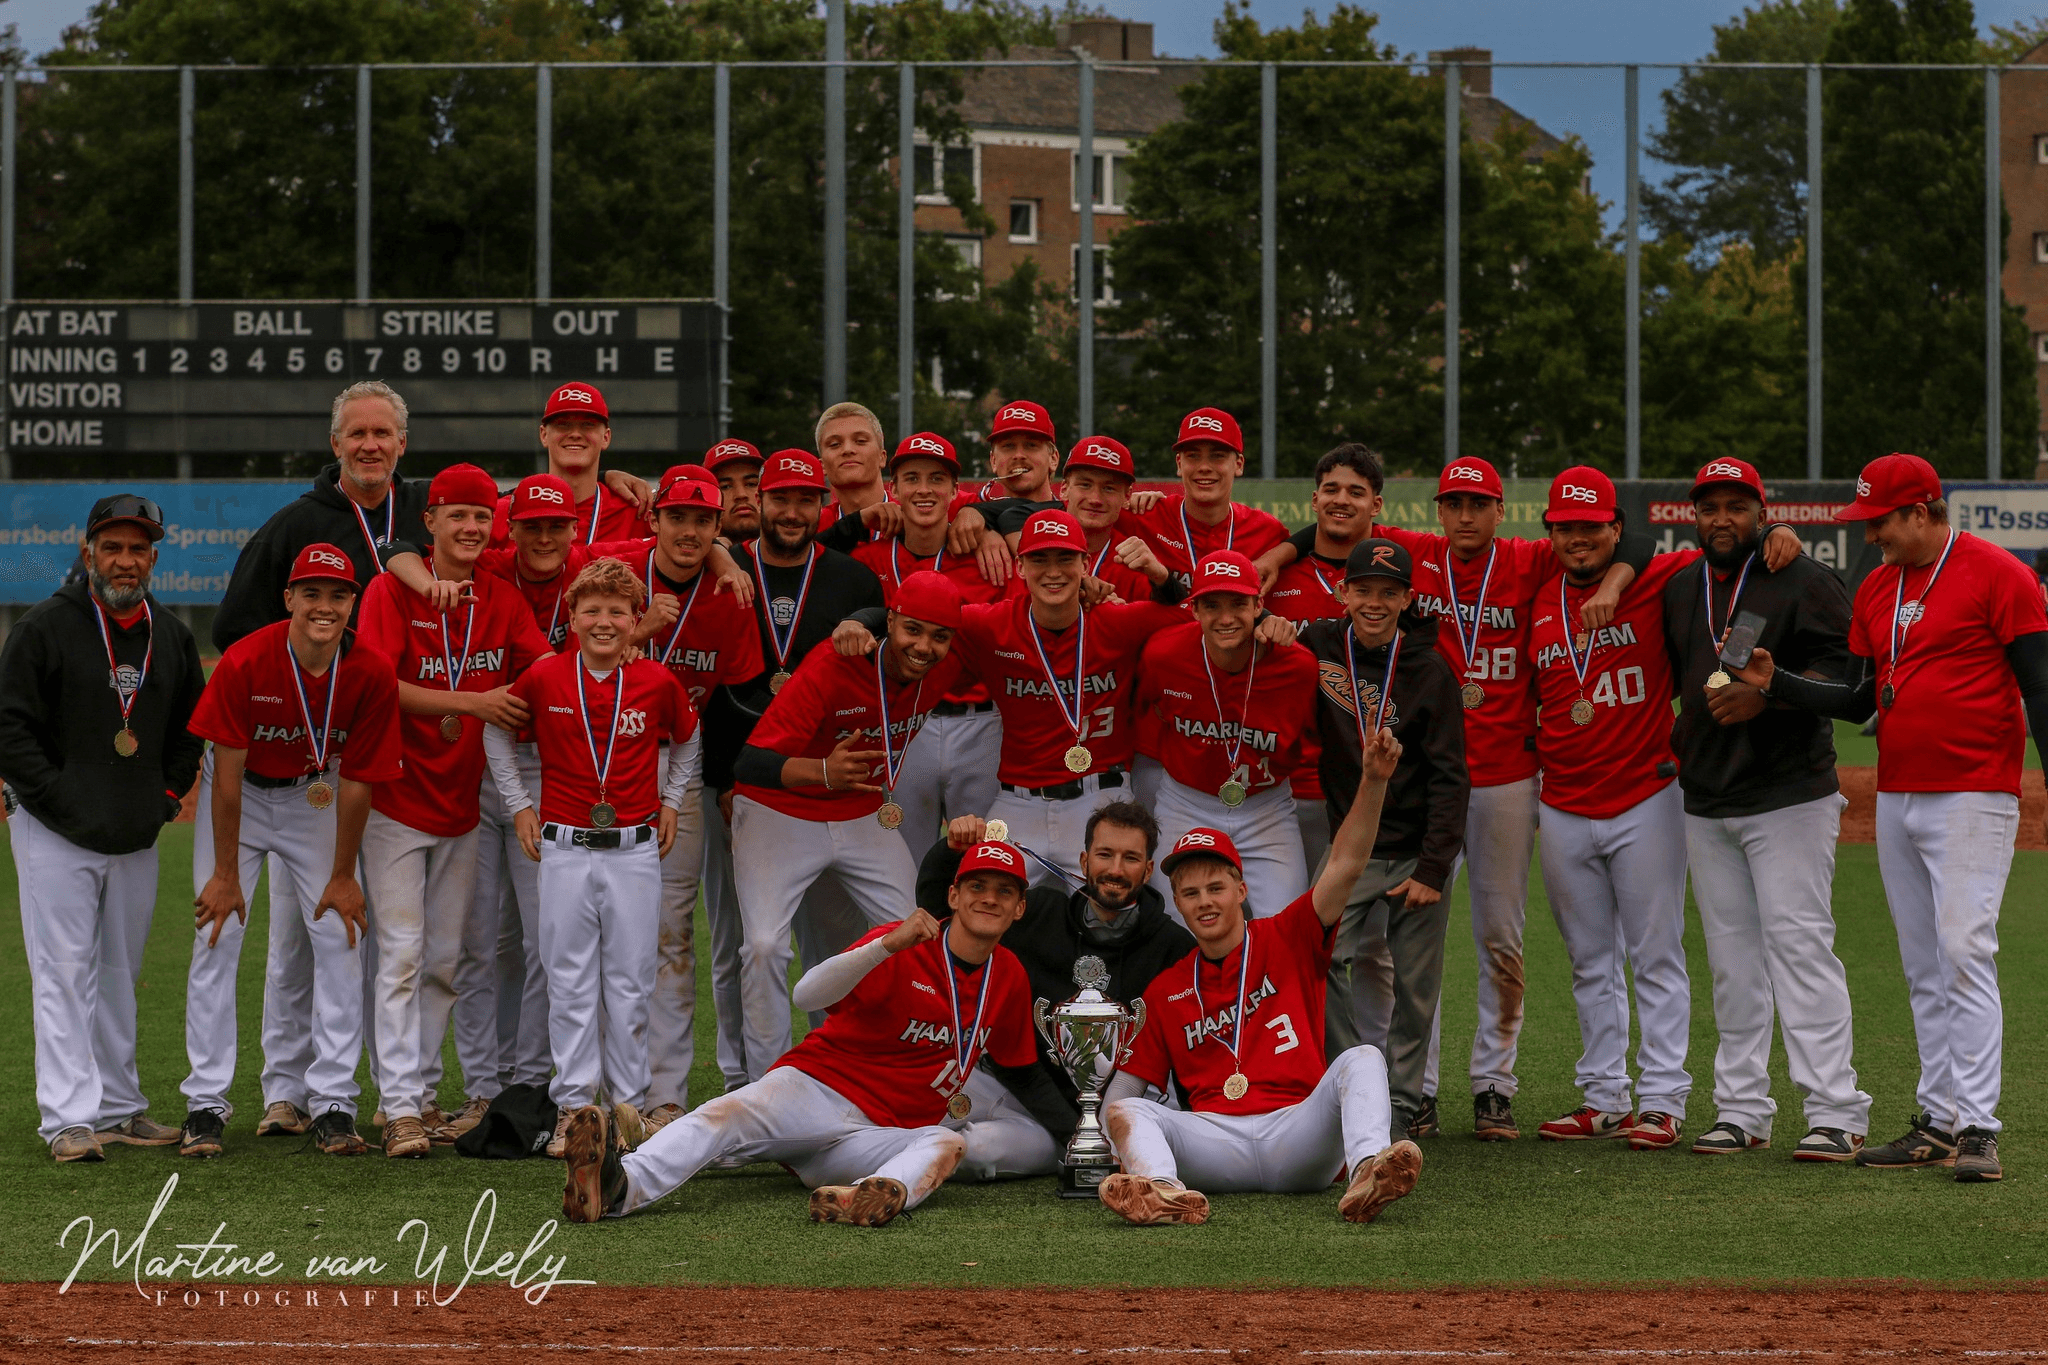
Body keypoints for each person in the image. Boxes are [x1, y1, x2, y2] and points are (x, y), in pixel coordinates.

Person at [1734, 451, 2048, 1183]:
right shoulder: (1878, 586)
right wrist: (1776, 682)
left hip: (1973, 790)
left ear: (1920, 510)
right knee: (1923, 963)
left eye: (1879, 520)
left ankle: (1979, 1125)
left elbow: (2040, 685)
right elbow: (1858, 698)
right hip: (1899, 792)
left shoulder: (2000, 574)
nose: (1869, 533)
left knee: (1964, 950)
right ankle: (1938, 1118)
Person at [558, 838, 1039, 1227]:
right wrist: (886, 947)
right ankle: (620, 1186)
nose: (988, 898)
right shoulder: (903, 941)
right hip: (817, 1088)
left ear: (1019, 908)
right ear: (953, 896)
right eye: (977, 885)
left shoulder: (1010, 976)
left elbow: (1022, 1071)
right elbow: (807, 995)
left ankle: (863, 1198)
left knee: (946, 1142)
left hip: (876, 1136)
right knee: (724, 1118)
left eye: (1004, 891)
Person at [1096, 731, 1420, 1227]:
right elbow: (1126, 1089)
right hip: (1215, 1140)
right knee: (1126, 1111)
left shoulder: (1288, 935)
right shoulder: (1166, 989)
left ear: (1241, 890)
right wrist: (1107, 1139)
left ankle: (1366, 1172)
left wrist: (1373, 782)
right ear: (1176, 901)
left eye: (1216, 888)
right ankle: (1162, 1192)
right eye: (1190, 893)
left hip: (1298, 1132)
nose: (1205, 902)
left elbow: (1346, 863)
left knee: (1362, 1057)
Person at [1661, 457, 1871, 1162]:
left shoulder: (1804, 578)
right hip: (1707, 797)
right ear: (1694, 515)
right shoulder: (1682, 585)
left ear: (1762, 510)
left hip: (1788, 795)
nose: (1722, 519)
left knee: (1800, 949)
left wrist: (1771, 693)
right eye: (1710, 507)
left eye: (1737, 506)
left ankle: (1836, 1110)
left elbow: (1847, 677)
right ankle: (1743, 1109)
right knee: (1731, 964)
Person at [177, 544, 403, 1159]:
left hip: (316, 795)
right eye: (311, 593)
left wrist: (343, 875)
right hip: (244, 796)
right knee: (216, 933)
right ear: (289, 599)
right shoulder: (248, 659)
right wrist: (226, 874)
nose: (324, 606)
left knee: (340, 934)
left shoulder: (371, 670)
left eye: (338, 595)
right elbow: (227, 776)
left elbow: (359, 781)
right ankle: (205, 1104)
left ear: (353, 603)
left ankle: (333, 1102)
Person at [355, 463, 554, 1158]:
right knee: (402, 954)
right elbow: (378, 687)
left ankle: (421, 1094)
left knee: (443, 960)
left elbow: (543, 670)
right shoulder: (390, 590)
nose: (471, 527)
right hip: (394, 799)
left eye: (481, 516)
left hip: (461, 803)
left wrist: (612, 655)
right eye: (457, 515)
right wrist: (472, 702)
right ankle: (398, 1105)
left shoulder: (500, 596)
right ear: (430, 522)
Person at [0, 494, 205, 1162]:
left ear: (153, 559)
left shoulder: (170, 636)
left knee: (121, 972)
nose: (125, 561)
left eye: (138, 549)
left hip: (133, 832)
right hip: (53, 830)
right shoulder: (44, 627)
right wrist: (59, 799)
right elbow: (10, 729)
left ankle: (117, 1107)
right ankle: (68, 1119)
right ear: (87, 552)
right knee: (63, 972)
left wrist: (165, 797)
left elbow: (190, 730)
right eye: (111, 547)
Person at [841, 510, 1196, 886]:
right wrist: (860, 621)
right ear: (1020, 567)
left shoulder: (1117, 620)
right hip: (1017, 804)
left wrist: (1161, 577)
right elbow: (919, 614)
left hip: (1101, 796)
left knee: (1114, 906)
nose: (1053, 572)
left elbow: (1193, 617)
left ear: (1085, 564)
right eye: (1039, 559)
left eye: (1065, 559)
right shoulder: (991, 624)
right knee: (981, 894)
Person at [486, 556, 699, 1155]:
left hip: (634, 851)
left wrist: (672, 801)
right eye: (592, 611)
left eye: (617, 612)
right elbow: (496, 733)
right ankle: (575, 1109)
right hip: (564, 850)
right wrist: (519, 806)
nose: (604, 622)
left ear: (635, 620)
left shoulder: (656, 680)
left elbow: (689, 740)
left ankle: (628, 1110)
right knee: (570, 983)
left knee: (630, 984)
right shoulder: (544, 676)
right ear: (572, 617)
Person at [729, 572, 969, 1080]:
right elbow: (750, 763)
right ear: (892, 623)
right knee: (765, 948)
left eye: (939, 636)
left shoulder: (947, 664)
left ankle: (898, 1070)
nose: (924, 647)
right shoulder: (834, 663)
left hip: (861, 812)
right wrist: (822, 771)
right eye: (912, 630)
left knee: (918, 932)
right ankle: (765, 1087)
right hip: (781, 812)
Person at [699, 449, 885, 1089]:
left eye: (806, 500)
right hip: (735, 783)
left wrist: (864, 620)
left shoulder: (851, 579)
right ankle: (747, 1081)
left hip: (822, 788)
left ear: (822, 505)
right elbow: (721, 692)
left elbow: (877, 629)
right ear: (759, 501)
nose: (792, 512)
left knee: (834, 939)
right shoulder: (725, 569)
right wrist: (730, 781)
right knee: (746, 943)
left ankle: (832, 1071)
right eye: (780, 498)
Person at [589, 466, 757, 1131]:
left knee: (671, 931)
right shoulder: (612, 566)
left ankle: (664, 1095)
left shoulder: (729, 590)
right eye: (678, 517)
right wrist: (637, 631)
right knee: (590, 932)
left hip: (677, 767)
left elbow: (737, 697)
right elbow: (567, 658)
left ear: (719, 526)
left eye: (704, 520)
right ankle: (583, 1092)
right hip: (594, 760)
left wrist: (732, 779)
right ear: (653, 518)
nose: (690, 532)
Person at [914, 801, 1196, 1177]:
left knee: (980, 1151)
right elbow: (940, 912)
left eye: (1130, 858)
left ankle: (1086, 1148)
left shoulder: (1174, 947)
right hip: (1020, 1091)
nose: (1115, 869)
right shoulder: (1038, 913)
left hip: (1114, 1110)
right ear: (1084, 861)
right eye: (1105, 854)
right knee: (920, 1105)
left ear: (1147, 870)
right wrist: (949, 849)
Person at [1297, 539, 1467, 1139]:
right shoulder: (1318, 645)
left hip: (1415, 852)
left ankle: (1399, 1106)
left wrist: (1433, 869)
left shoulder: (1429, 670)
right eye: (1363, 589)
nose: (1374, 603)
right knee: (1316, 960)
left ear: (1407, 599)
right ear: (1342, 592)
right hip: (1350, 848)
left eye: (1389, 593)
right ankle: (1353, 1083)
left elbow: (1451, 777)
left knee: (1415, 990)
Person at [848, 433, 1007, 862]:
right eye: (912, 478)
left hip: (979, 724)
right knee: (903, 863)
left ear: (956, 491)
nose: (924, 489)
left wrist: (990, 525)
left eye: (937, 479)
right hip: (901, 722)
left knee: (982, 861)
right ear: (893, 488)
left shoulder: (987, 556)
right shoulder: (867, 560)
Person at [1136, 550, 1317, 911]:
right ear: (1193, 609)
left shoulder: (1298, 666)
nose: (1226, 618)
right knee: (1175, 925)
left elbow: (1313, 738)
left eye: (1238, 603)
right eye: (1212, 605)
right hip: (1185, 803)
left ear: (1258, 605)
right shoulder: (1164, 654)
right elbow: (1149, 708)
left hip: (1266, 809)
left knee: (1284, 925)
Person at [488, 382, 653, 547]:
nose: (575, 434)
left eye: (588, 425)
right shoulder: (502, 514)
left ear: (606, 437)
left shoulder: (638, 511)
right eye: (563, 424)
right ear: (544, 435)